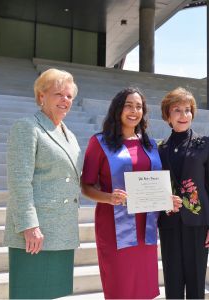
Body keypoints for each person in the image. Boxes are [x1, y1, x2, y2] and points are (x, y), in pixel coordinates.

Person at [81, 87, 182, 299]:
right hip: (114, 226)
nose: (134, 111)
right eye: (128, 105)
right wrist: (109, 198)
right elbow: (86, 186)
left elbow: (153, 182)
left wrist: (166, 199)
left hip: (145, 227)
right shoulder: (99, 142)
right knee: (120, 285)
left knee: (143, 285)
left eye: (139, 107)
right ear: (118, 109)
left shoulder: (150, 145)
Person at [3, 68, 82, 299]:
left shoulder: (70, 135)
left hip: (63, 230)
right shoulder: (27, 127)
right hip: (36, 232)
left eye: (69, 96)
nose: (65, 100)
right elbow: (19, 181)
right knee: (31, 293)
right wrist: (30, 226)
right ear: (41, 96)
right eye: (58, 94)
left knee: (57, 294)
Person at [158, 87, 209, 299]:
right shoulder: (159, 149)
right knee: (173, 285)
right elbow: (156, 187)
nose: (183, 115)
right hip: (169, 224)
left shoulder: (205, 144)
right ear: (168, 115)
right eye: (177, 110)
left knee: (196, 285)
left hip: (198, 224)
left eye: (187, 110)